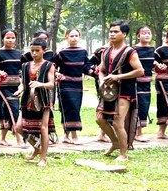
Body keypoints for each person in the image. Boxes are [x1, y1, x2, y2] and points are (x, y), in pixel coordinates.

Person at [95, 20, 144, 162]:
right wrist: (102, 79)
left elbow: (140, 71)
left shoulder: (130, 52)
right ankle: (115, 142)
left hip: (125, 91)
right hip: (108, 91)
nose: (112, 34)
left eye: (116, 32)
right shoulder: (106, 51)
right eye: (111, 31)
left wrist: (118, 76)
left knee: (117, 121)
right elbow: (101, 70)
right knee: (99, 119)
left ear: (124, 34)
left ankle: (123, 154)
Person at [18, 37, 57, 167]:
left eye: (37, 51)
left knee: (43, 128)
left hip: (43, 100)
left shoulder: (49, 65)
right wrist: (19, 90)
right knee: (18, 127)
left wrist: (40, 84)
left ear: (44, 51)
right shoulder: (25, 66)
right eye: (32, 50)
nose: (34, 53)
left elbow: (51, 84)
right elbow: (23, 83)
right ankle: (37, 148)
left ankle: (43, 158)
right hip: (26, 100)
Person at [54, 28, 90, 144]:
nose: (74, 38)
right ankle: (74, 136)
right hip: (65, 85)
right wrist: (56, 74)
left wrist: (96, 72)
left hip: (78, 85)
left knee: (75, 108)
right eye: (71, 36)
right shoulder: (62, 53)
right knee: (70, 108)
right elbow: (52, 65)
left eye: (76, 36)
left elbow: (86, 67)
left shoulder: (83, 52)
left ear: (79, 37)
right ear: (66, 37)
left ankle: (65, 135)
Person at [133, 26, 155, 142]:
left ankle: (140, 131)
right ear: (138, 36)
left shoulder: (152, 49)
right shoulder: (133, 50)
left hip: (147, 82)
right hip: (135, 83)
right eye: (144, 33)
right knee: (137, 105)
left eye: (149, 33)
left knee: (145, 105)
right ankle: (137, 133)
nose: (147, 35)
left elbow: (152, 63)